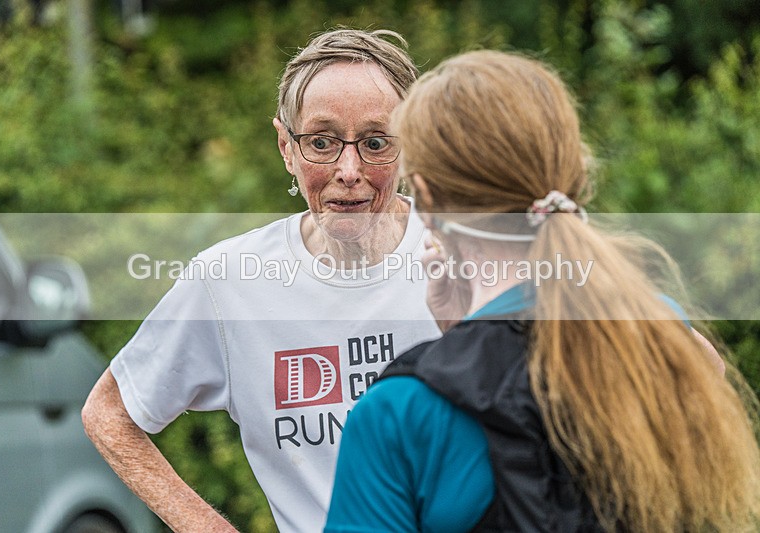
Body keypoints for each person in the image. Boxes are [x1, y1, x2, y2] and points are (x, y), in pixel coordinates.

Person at [325, 50, 760, 532]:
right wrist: (466, 336)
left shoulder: (398, 414)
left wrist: (462, 347)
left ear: (425, 199)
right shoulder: (662, 335)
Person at [81, 29, 441, 533]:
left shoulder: (465, 254)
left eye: (377, 142)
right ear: (286, 147)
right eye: (321, 142)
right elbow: (110, 414)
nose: (348, 169)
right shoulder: (230, 281)